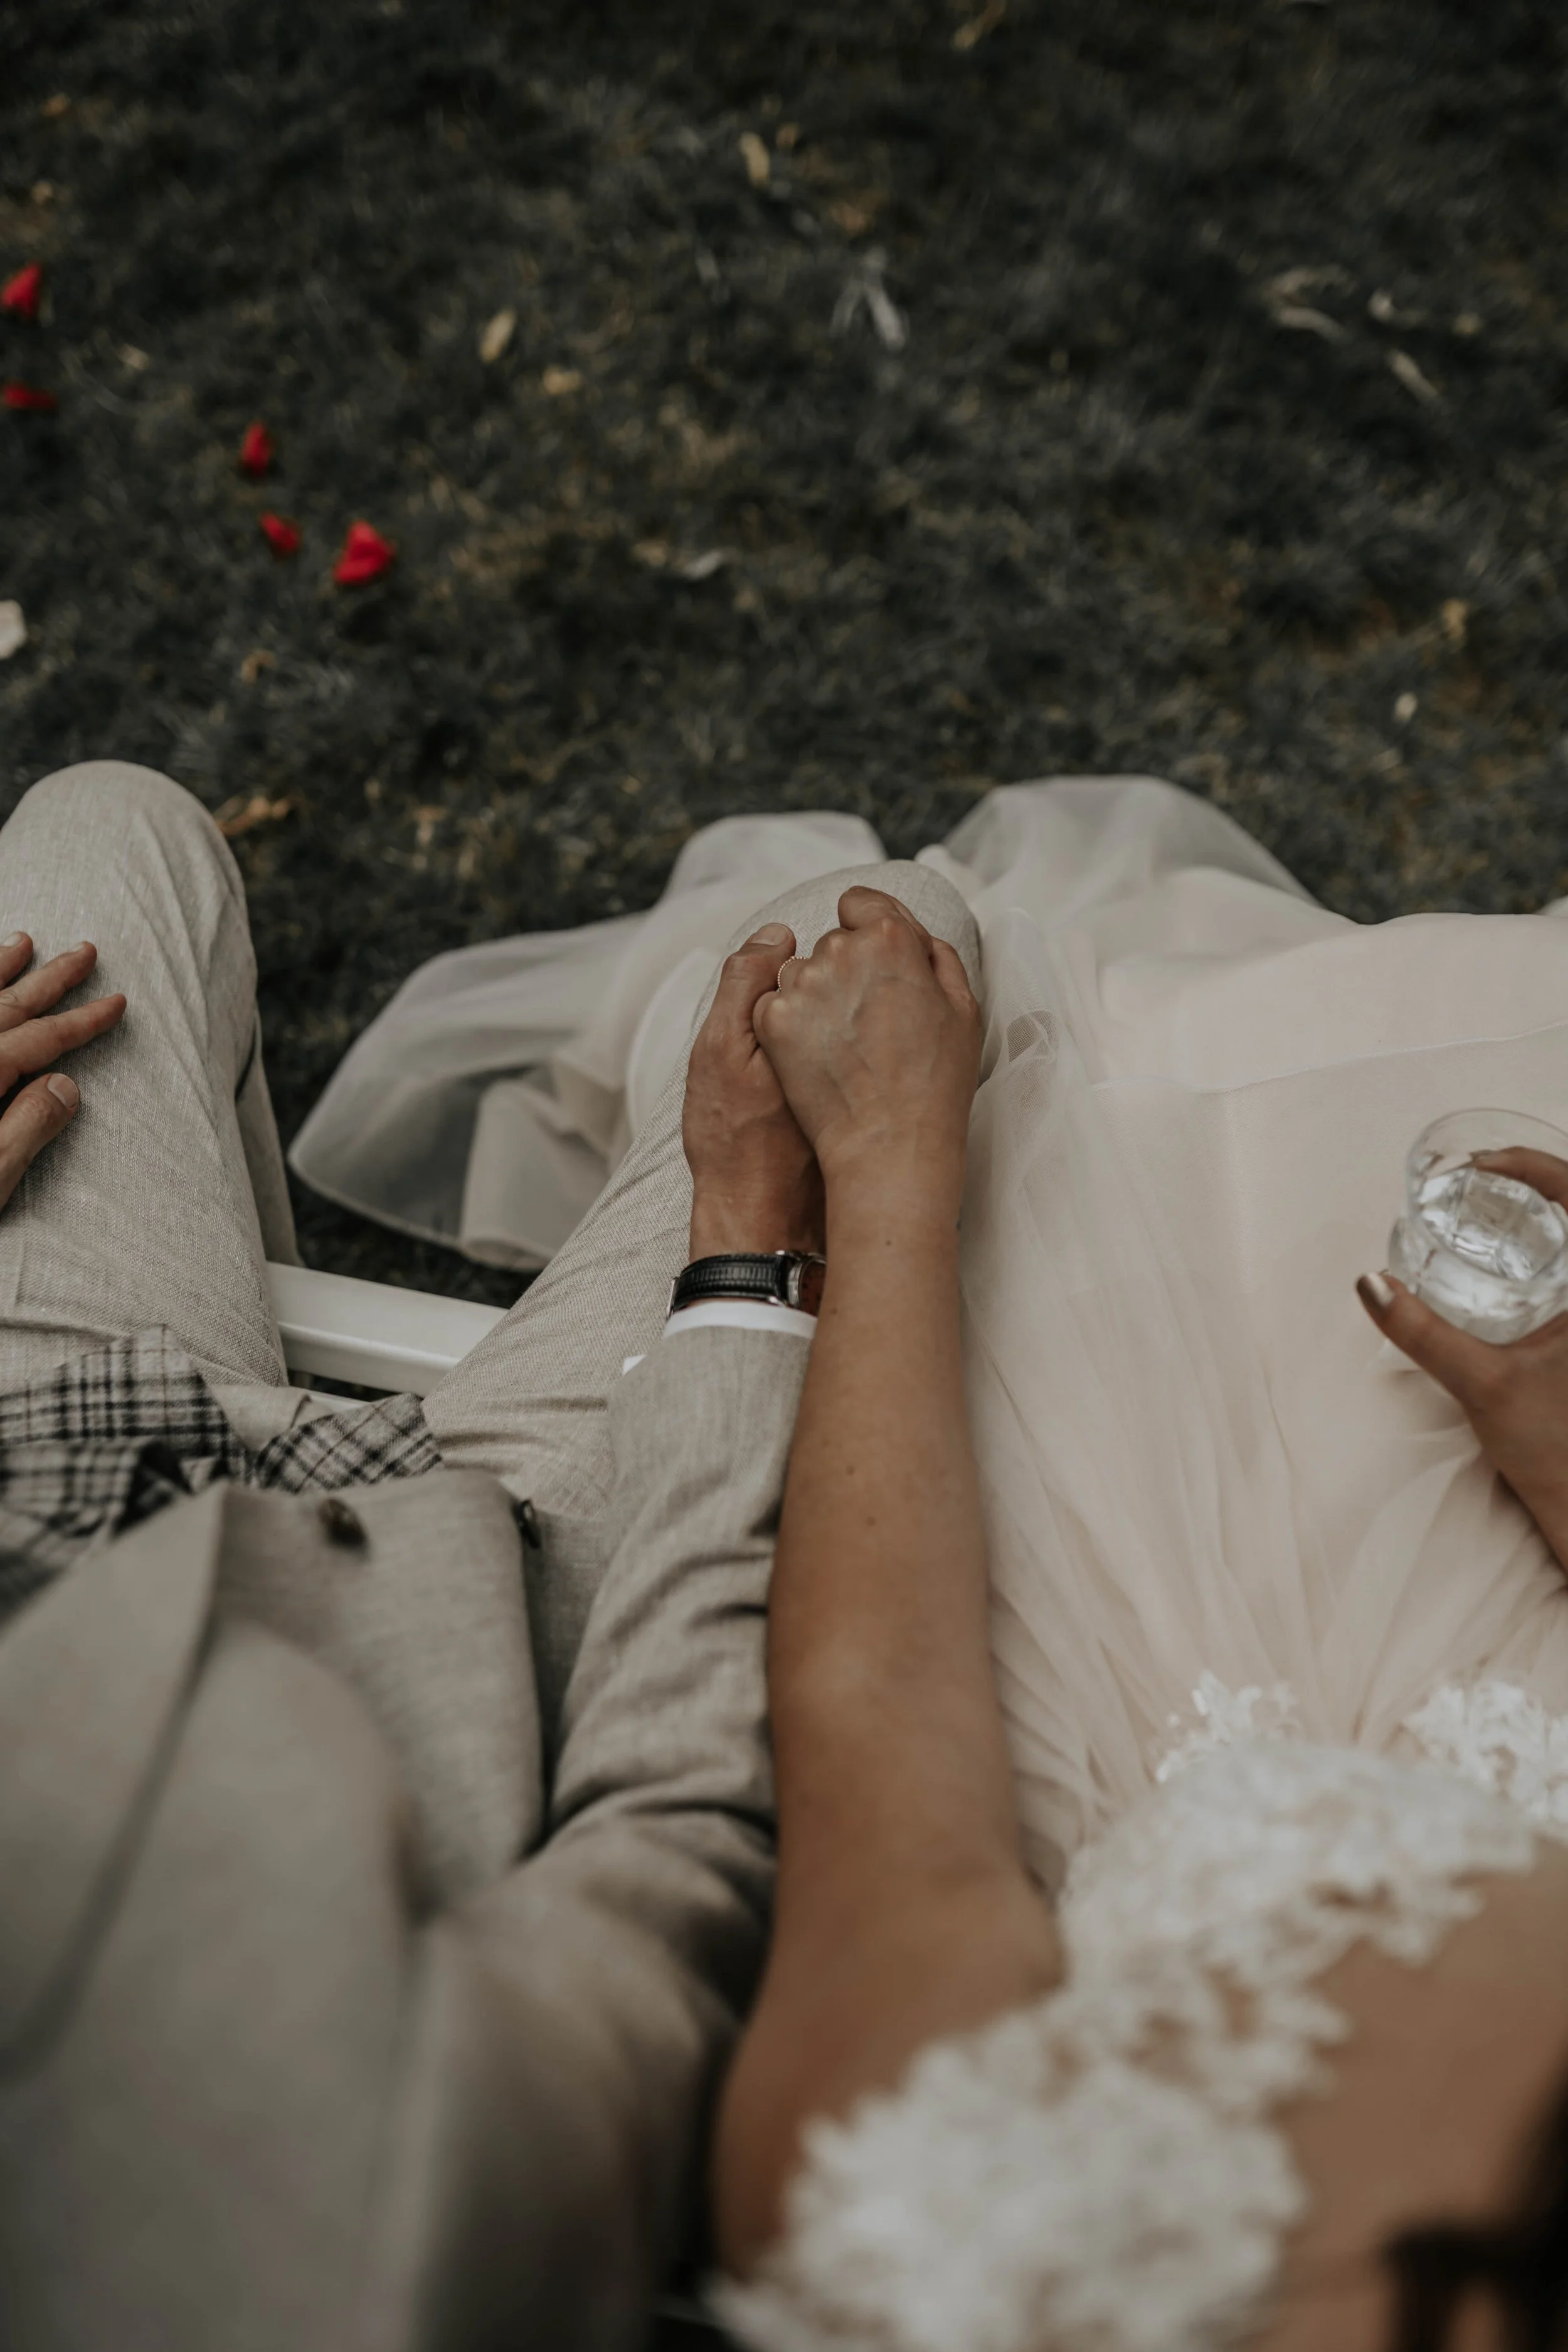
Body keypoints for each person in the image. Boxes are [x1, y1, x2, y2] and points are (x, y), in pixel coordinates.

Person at [0, 760, 982, 2352]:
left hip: (48, 1432)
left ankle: (240, 1287)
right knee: (879, 935)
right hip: (487, 1642)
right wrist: (746, 1251)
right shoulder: (375, 2230)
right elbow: (681, 1837)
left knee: (108, 830)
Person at [687, 861, 1568, 2351]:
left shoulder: (939, 2248)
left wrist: (887, 1167)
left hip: (1094, 1686)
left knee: (889, 952)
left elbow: (881, 1721)